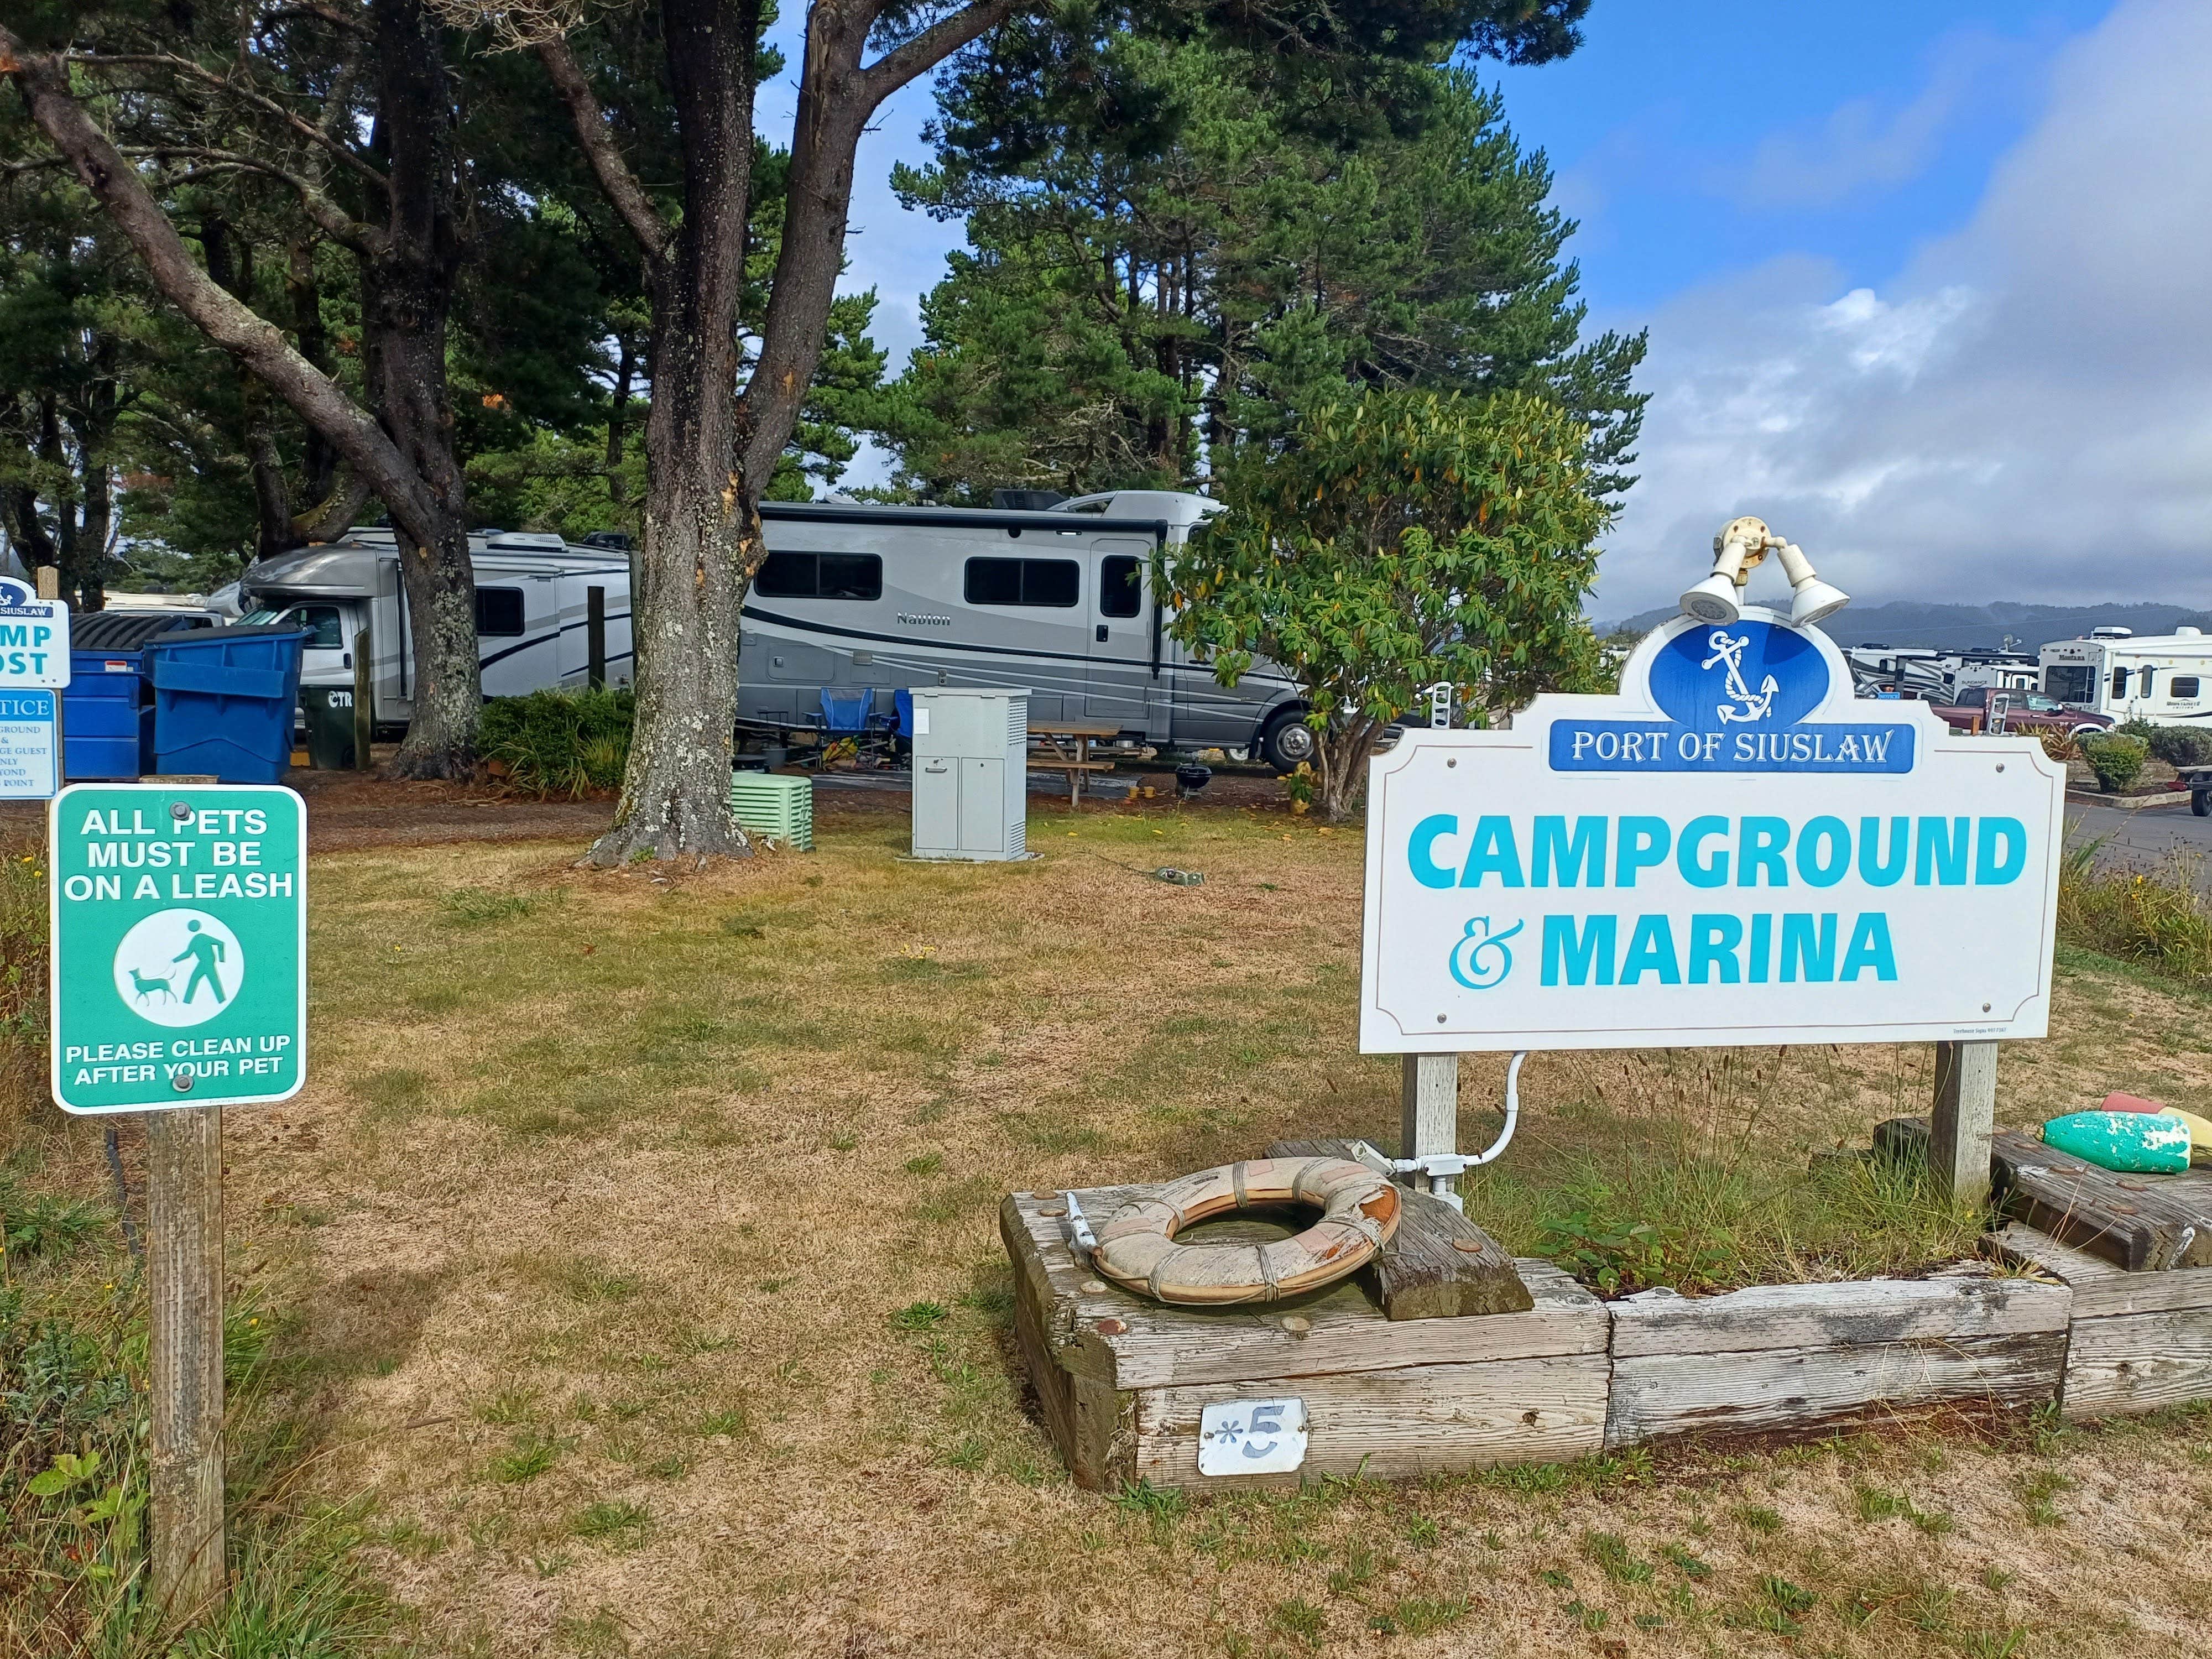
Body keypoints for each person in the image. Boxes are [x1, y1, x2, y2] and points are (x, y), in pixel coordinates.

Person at [174, 919, 228, 1006]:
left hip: (207, 962)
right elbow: (188, 954)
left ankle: (187, 1001)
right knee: (211, 980)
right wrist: (175, 960)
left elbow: (188, 954)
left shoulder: (199, 938)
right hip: (205, 962)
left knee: (199, 979)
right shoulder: (199, 938)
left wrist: (222, 959)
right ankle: (221, 999)